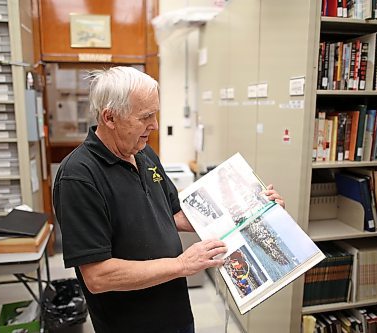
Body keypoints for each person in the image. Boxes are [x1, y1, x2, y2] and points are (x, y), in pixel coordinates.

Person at [53, 66, 285, 333]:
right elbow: (97, 276)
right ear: (110, 117)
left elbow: (174, 214)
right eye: (145, 117)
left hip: (175, 311)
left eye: (155, 114)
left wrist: (254, 207)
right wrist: (182, 264)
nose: (154, 125)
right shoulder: (78, 177)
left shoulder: (144, 153)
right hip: (130, 323)